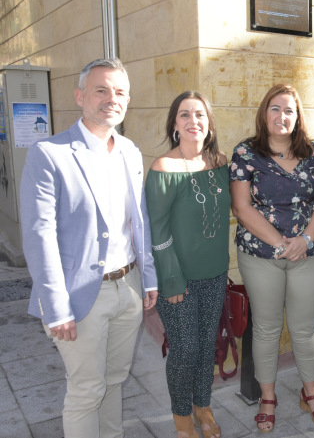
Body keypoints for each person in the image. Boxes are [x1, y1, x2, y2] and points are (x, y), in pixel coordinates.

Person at [19, 58, 158, 438]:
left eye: (120, 92)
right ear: (80, 96)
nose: (111, 98)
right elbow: (39, 235)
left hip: (127, 287)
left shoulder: (130, 151)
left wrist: (148, 279)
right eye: (102, 90)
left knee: (114, 379)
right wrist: (55, 306)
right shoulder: (49, 153)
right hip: (79, 295)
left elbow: (138, 220)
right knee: (86, 389)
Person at [230, 84, 314, 433]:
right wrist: (281, 243)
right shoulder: (245, 153)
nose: (282, 116)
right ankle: (268, 397)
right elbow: (242, 207)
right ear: (264, 113)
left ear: (297, 116)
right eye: (275, 109)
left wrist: (304, 240)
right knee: (268, 328)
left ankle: (311, 394)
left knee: (305, 329)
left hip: (307, 253)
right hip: (260, 255)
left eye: (289, 110)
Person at [145, 91, 230, 438]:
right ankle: (182, 419)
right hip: (177, 279)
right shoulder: (163, 168)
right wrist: (170, 278)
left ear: (208, 124)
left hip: (215, 273)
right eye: (184, 115)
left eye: (200, 115)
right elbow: (158, 231)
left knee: (208, 344)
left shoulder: (220, 163)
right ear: (175, 124)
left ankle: (203, 406)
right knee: (185, 349)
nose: (193, 121)